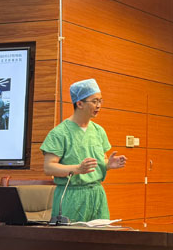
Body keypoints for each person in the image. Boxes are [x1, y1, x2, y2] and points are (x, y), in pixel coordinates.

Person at [41, 79, 127, 222]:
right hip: (71, 196)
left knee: (101, 235)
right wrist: (78, 169)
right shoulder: (60, 133)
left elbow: (100, 161)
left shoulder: (98, 131)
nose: (99, 105)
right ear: (79, 103)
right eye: (94, 101)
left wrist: (107, 164)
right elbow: (48, 167)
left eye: (100, 101)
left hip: (97, 195)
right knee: (72, 235)